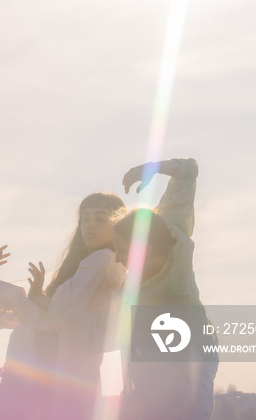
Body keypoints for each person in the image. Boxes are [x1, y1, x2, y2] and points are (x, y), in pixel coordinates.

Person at [28, 157, 218, 420]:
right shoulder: (172, 228)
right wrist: (154, 167)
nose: (116, 259)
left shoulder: (142, 302)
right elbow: (188, 174)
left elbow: (94, 331)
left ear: (144, 252)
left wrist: (44, 303)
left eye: (121, 252)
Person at [0, 191, 126, 420]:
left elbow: (51, 316)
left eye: (100, 218)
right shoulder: (87, 262)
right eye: (85, 219)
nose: (90, 225)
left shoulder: (103, 260)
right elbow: (48, 316)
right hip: (43, 376)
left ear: (118, 224)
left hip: (50, 379)